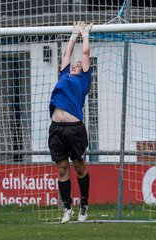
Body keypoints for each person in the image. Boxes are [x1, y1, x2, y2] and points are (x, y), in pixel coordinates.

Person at [48, 21, 93, 224]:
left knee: (79, 167)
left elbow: (84, 55)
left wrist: (85, 35)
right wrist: (73, 35)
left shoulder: (82, 79)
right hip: (57, 128)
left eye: (77, 65)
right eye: (72, 65)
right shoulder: (64, 75)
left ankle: (84, 205)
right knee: (62, 169)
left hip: (75, 129)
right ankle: (67, 209)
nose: (74, 65)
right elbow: (67, 54)